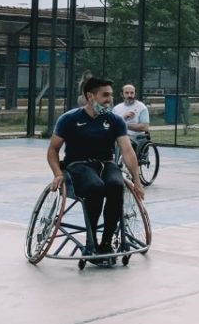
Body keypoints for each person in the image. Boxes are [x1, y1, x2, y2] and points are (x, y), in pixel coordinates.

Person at [46, 77, 144, 264]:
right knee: (95, 187)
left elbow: (128, 151)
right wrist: (57, 173)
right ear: (90, 96)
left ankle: (106, 243)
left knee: (116, 185)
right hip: (78, 165)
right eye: (105, 95)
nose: (110, 99)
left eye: (111, 95)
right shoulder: (69, 119)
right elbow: (52, 150)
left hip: (106, 163)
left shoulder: (115, 120)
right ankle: (92, 241)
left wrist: (137, 181)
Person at [110, 84, 151, 150]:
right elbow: (111, 125)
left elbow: (145, 127)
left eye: (132, 93)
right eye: (127, 93)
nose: (129, 95)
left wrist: (124, 124)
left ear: (135, 94)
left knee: (123, 143)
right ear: (122, 94)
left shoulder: (141, 107)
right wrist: (123, 118)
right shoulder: (116, 109)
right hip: (119, 138)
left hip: (136, 139)